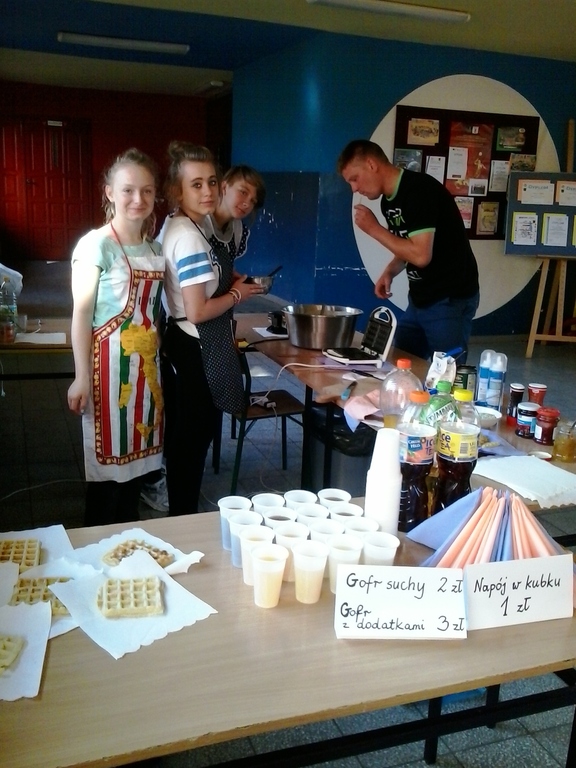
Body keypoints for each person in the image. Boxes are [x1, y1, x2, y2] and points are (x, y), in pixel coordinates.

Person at [159, 142, 265, 515]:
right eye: (196, 185)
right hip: (194, 343)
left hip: (188, 340)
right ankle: (182, 516)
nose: (208, 191)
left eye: (211, 181)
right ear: (178, 191)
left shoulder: (191, 224)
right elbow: (198, 311)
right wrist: (237, 294)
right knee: (191, 439)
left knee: (188, 435)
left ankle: (181, 509)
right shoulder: (189, 236)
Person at [67, 148, 164, 526]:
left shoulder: (155, 248)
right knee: (106, 482)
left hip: (145, 374)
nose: (138, 199)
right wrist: (80, 377)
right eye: (128, 190)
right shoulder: (96, 245)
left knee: (135, 477)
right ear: (109, 192)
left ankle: (129, 546)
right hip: (106, 374)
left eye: (147, 191)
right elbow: (81, 314)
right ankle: (97, 548)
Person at [337, 139, 479, 362]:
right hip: (419, 298)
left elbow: (421, 256)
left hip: (449, 297)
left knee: (448, 372)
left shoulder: (419, 191)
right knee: (403, 363)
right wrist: (390, 271)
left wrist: (374, 229)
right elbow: (407, 245)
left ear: (371, 164)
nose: (354, 189)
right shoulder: (388, 202)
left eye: (355, 179)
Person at [207, 164, 266, 261]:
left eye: (253, 201)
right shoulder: (198, 220)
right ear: (224, 187)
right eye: (243, 192)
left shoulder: (238, 231)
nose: (247, 204)